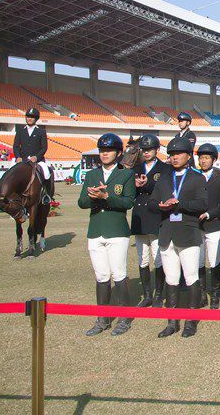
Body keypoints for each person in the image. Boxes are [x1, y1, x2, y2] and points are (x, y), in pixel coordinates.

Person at [149, 137, 208, 338]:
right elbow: (151, 202)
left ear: (188, 155)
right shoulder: (164, 178)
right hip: (167, 234)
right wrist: (160, 206)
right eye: (171, 154)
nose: (174, 158)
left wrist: (179, 204)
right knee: (171, 279)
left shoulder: (197, 178)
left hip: (188, 233)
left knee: (191, 277)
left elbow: (202, 204)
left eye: (178, 154)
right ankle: (172, 322)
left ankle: (191, 321)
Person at [78, 133, 136, 336]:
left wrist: (107, 197)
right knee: (101, 275)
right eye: (102, 151)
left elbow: (128, 202)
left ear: (119, 153)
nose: (105, 154)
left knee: (118, 273)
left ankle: (124, 317)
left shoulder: (126, 174)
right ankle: (102, 318)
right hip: (96, 230)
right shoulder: (92, 175)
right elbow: (82, 203)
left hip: (117, 230)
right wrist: (93, 197)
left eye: (109, 150)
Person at [130, 133, 172, 307]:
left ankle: (159, 294)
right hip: (140, 215)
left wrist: (147, 185)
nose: (146, 152)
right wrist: (134, 186)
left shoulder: (165, 169)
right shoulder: (136, 168)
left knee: (158, 257)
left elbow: (166, 189)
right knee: (143, 258)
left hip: (156, 216)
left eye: (150, 149)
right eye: (144, 149)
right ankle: (147, 295)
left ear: (157, 150)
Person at [195, 143, 220, 310]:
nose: (203, 160)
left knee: (214, 260)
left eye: (206, 158)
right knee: (199, 261)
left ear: (214, 159)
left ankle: (215, 294)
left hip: (213, 224)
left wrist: (209, 214)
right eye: (201, 158)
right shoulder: (194, 176)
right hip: (196, 226)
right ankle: (201, 294)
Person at [13, 107, 53, 206]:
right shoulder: (20, 131)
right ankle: (9, 196)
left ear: (36, 118)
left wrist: (36, 157)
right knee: (10, 172)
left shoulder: (41, 131)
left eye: (32, 117)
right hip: (22, 159)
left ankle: (46, 196)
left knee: (47, 173)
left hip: (37, 160)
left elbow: (44, 147)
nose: (29, 118)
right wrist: (18, 156)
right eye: (28, 116)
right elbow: (16, 146)